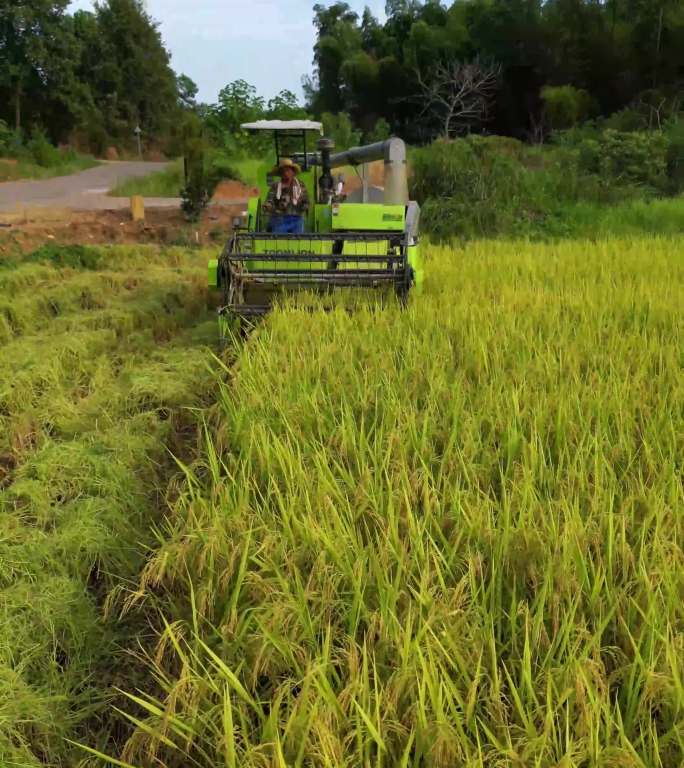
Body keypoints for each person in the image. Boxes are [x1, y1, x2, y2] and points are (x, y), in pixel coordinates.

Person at [262, 158, 309, 234]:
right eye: (283, 171)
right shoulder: (276, 186)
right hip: (279, 218)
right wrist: (268, 206)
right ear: (280, 173)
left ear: (293, 172)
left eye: (288, 170)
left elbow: (306, 200)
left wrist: (304, 204)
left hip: (297, 218)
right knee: (279, 241)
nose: (285, 173)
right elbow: (269, 201)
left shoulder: (300, 185)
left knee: (298, 242)